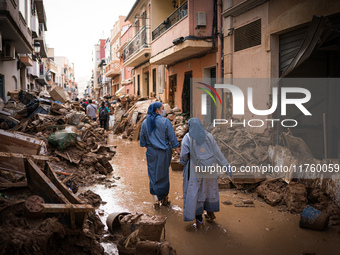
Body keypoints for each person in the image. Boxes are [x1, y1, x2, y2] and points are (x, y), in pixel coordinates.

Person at [179, 118, 231, 229]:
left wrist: (183, 163)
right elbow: (217, 152)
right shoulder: (209, 136)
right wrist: (225, 165)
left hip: (195, 171)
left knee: (196, 193)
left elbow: (183, 155)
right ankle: (210, 212)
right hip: (210, 170)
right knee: (208, 190)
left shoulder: (187, 138)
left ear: (190, 127)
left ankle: (199, 220)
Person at [140, 102, 181, 209]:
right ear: (157, 110)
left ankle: (155, 201)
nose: (163, 111)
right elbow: (173, 139)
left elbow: (143, 142)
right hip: (164, 153)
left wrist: (151, 147)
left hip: (151, 153)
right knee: (164, 175)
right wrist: (179, 152)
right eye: (162, 108)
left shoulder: (145, 123)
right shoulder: (165, 121)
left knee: (153, 175)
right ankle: (164, 198)